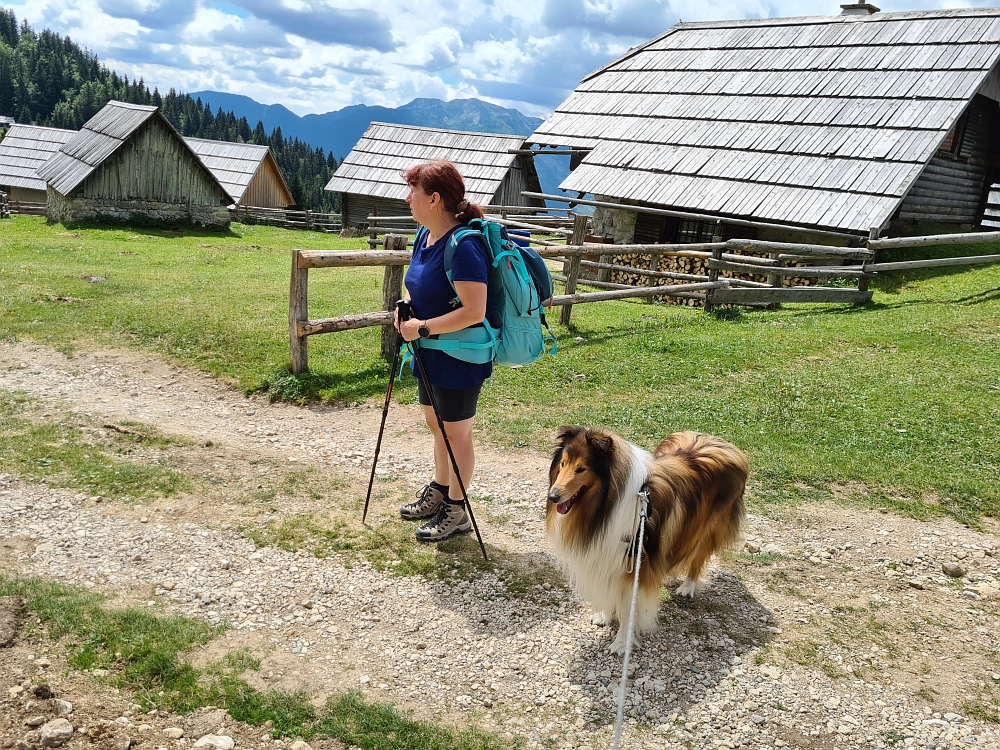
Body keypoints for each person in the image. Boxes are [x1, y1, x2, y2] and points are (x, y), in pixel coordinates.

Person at [394, 160, 491, 543]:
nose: (408, 199)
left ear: (434, 199)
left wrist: (423, 327)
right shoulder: (425, 236)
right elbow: (417, 283)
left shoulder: (464, 246)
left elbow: (474, 310)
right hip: (429, 352)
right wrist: (407, 306)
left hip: (460, 357)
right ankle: (440, 489)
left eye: (413, 192)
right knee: (438, 427)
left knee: (457, 434)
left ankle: (457, 509)